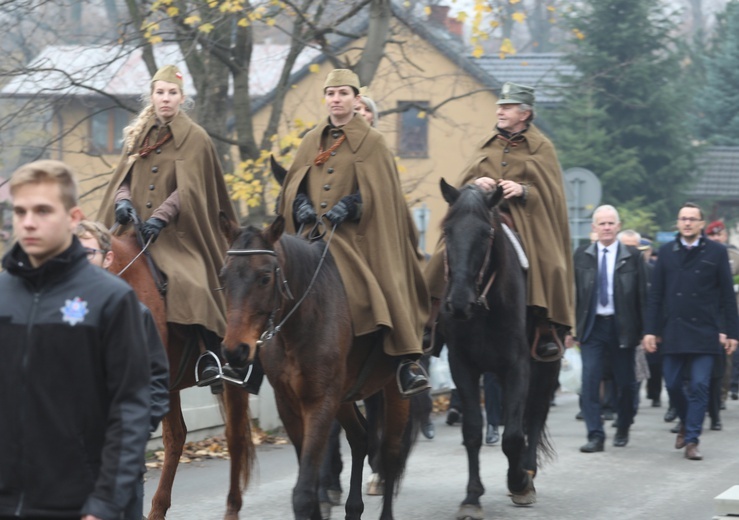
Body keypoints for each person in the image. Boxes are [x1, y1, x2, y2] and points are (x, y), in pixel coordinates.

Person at [0, 160, 151, 519]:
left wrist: (104, 504)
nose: (29, 222)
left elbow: (130, 410)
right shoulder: (2, 296)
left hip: (79, 505)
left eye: (42, 210)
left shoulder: (111, 299)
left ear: (72, 217)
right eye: (20, 211)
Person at [276, 69, 430, 397]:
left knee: (382, 284)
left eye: (343, 93)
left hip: (355, 236)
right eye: (331, 93)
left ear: (356, 98)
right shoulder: (310, 139)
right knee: (269, 280)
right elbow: (293, 184)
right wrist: (299, 203)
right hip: (310, 234)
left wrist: (354, 205)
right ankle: (253, 362)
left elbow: (384, 193)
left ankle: (406, 359)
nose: (336, 99)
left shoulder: (372, 142)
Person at [97, 64, 241, 394]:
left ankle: (211, 357)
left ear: (181, 98)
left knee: (193, 283)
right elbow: (125, 178)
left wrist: (161, 217)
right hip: (132, 230)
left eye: (172, 93)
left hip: (177, 235)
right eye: (160, 92)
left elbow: (189, 190)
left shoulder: (196, 138)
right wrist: (122, 201)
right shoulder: (138, 133)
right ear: (152, 96)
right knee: (97, 267)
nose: (165, 98)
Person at [424, 82, 574, 360]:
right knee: (443, 256)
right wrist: (474, 183)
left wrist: (523, 189)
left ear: (524, 113)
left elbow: (551, 192)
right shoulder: (486, 144)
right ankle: (430, 323)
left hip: (525, 218)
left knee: (551, 265)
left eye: (507, 107)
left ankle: (544, 328)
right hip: (484, 216)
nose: (500, 111)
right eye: (500, 106)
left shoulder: (542, 147)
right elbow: (462, 185)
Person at [75, 220, 170, 520]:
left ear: (107, 258)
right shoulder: (54, 317)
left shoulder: (134, 314)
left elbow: (156, 380)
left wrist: (136, 432)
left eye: (87, 252)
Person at [643, 203, 739, 461]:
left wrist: (732, 333)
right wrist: (650, 330)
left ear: (700, 224)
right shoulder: (666, 252)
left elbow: (728, 296)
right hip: (673, 329)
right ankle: (686, 422)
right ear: (678, 223)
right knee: (673, 384)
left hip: (704, 330)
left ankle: (693, 440)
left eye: (692, 219)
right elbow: (656, 296)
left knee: (699, 386)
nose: (687, 223)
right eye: (683, 219)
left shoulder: (716, 252)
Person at [574, 206, 649, 452]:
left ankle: (624, 425)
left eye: (610, 223)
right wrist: (569, 330)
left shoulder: (632, 256)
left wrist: (645, 330)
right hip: (592, 327)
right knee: (590, 381)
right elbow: (573, 295)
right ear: (593, 229)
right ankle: (595, 435)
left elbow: (642, 296)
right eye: (601, 223)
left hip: (622, 326)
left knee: (626, 383)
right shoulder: (581, 255)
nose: (606, 227)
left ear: (617, 226)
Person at [704, 220, 739, 429]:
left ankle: (720, 400)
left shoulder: (735, 257)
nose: (716, 238)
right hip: (706, 314)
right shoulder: (703, 254)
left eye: (719, 235)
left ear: (724, 236)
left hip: (728, 314)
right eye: (712, 235)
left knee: (723, 364)